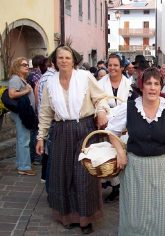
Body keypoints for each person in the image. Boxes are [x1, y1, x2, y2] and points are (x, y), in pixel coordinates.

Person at [106, 67, 165, 235]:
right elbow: (111, 132)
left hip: (162, 168)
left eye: (156, 84)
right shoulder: (129, 108)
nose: (152, 87)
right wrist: (120, 152)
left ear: (161, 87)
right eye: (148, 83)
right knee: (136, 214)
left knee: (163, 213)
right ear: (142, 86)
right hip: (135, 168)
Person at [36, 45, 109, 234]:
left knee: (84, 174)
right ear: (55, 61)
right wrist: (41, 137)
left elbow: (100, 98)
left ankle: (85, 219)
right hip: (61, 130)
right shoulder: (50, 83)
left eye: (67, 57)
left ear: (74, 60)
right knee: (62, 174)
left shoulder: (85, 77)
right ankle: (66, 216)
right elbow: (45, 113)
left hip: (84, 128)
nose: (63, 61)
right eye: (60, 57)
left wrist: (101, 111)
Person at [97, 53, 138, 203]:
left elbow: (134, 105)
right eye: (110, 65)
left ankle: (123, 187)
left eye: (116, 65)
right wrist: (101, 113)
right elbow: (97, 101)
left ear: (122, 67)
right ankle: (113, 185)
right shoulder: (100, 84)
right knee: (109, 156)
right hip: (105, 124)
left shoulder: (130, 85)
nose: (112, 68)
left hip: (124, 127)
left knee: (123, 155)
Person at [8, 57, 36, 176]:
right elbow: (12, 94)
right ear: (16, 67)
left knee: (23, 139)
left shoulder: (21, 79)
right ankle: (24, 167)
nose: (27, 66)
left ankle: (22, 163)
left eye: (27, 64)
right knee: (24, 140)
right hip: (21, 114)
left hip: (24, 114)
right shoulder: (15, 79)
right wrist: (26, 90)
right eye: (24, 65)